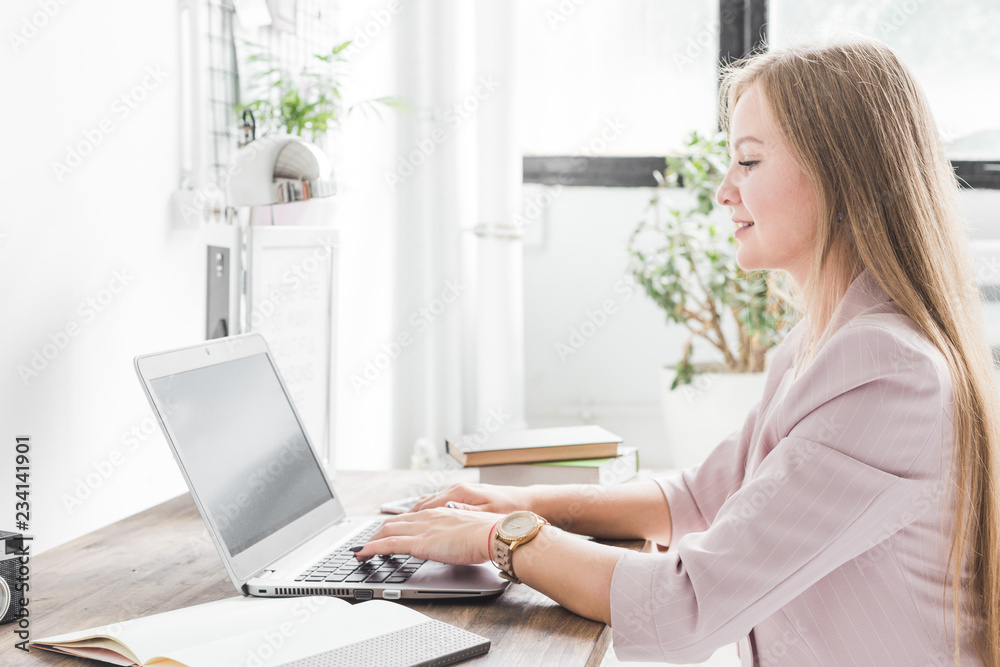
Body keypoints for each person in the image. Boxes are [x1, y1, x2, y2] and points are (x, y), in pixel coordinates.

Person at [354, 38, 1000, 666]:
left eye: (748, 162)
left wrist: (505, 539)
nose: (724, 190)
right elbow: (700, 499)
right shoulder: (824, 342)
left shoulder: (890, 378)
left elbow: (683, 609)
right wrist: (513, 503)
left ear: (841, 176)